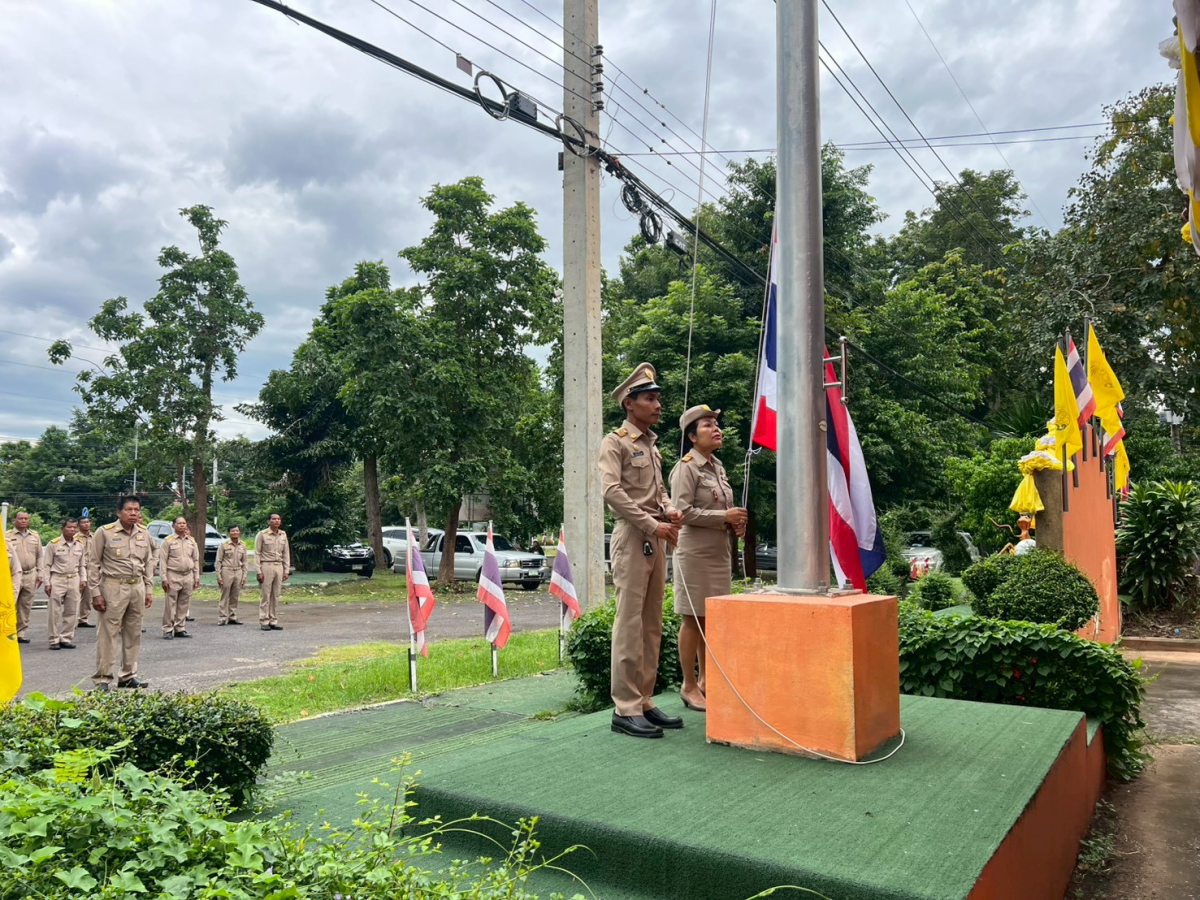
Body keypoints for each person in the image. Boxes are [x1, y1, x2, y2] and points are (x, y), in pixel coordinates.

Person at [599, 362, 685, 739]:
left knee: (651, 623)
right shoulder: (615, 442)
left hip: (657, 535)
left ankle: (644, 699)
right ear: (629, 404)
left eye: (658, 398)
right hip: (633, 536)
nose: (658, 405)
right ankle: (625, 707)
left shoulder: (651, 445)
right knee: (629, 623)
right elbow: (612, 492)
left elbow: (658, 490)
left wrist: (669, 508)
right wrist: (653, 524)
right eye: (650, 398)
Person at [669, 406, 748, 713]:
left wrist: (735, 522)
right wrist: (724, 516)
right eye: (707, 425)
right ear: (692, 436)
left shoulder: (718, 467)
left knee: (711, 618)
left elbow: (722, 511)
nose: (717, 429)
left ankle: (706, 681)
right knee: (692, 618)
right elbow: (682, 512)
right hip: (695, 553)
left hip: (718, 551)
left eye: (717, 424)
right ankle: (688, 685)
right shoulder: (686, 468)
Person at [89, 496, 154, 690]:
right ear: (119, 513)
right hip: (113, 586)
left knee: (134, 633)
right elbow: (93, 564)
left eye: (136, 510)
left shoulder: (143, 533)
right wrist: (95, 593)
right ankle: (103, 678)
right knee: (108, 634)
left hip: (137, 586)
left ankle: (128, 675)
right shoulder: (104, 532)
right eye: (129, 510)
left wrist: (149, 589)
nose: (133, 513)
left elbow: (148, 563)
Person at [42, 517, 87, 650]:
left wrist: (83, 579)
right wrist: (47, 583)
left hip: (74, 579)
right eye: (69, 527)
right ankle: (53, 639)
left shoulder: (79, 545)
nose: (72, 530)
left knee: (72, 610)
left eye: (74, 527)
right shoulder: (53, 544)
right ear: (62, 529)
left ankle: (66, 638)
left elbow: (82, 565)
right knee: (54, 612)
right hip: (57, 578)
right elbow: (46, 565)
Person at [158, 516, 199, 639]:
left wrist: (196, 576)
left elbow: (196, 559)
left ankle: (180, 628)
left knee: (184, 603)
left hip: (188, 575)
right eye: (179, 523)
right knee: (170, 604)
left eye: (184, 523)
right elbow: (163, 561)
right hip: (173, 575)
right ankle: (168, 629)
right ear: (173, 526)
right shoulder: (168, 541)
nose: (182, 525)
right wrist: (164, 578)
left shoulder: (191, 541)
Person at [6, 510, 42, 645]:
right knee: (11, 604)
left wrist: (40, 573)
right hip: (13, 576)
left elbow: (40, 556)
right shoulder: (7, 536)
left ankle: (20, 633)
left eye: (26, 518)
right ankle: (8, 632)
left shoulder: (35, 536)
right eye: (20, 518)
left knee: (25, 606)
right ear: (14, 521)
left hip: (30, 574)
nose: (23, 521)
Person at [255, 514, 290, 631]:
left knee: (275, 595)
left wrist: (286, 570)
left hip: (279, 566)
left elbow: (286, 553)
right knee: (266, 595)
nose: (276, 521)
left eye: (278, 519)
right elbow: (257, 553)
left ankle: (273, 620)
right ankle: (264, 620)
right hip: (266, 565)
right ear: (268, 521)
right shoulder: (262, 534)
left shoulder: (283, 534)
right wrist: (258, 571)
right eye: (274, 519)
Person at [216, 525, 248, 625]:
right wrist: (219, 576)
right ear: (229, 533)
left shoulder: (243, 545)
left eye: (237, 531)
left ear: (239, 532)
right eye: (233, 531)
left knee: (235, 595)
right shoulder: (224, 545)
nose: (235, 533)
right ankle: (222, 617)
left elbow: (245, 561)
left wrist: (244, 575)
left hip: (238, 571)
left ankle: (232, 616)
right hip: (226, 570)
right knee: (225, 594)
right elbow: (218, 561)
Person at [75, 515, 95, 628]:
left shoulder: (94, 537)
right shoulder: (75, 538)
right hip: (79, 568)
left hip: (92, 569)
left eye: (88, 522)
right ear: (79, 525)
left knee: (88, 596)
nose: (86, 524)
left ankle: (83, 619)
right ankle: (71, 619)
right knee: (76, 594)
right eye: (83, 522)